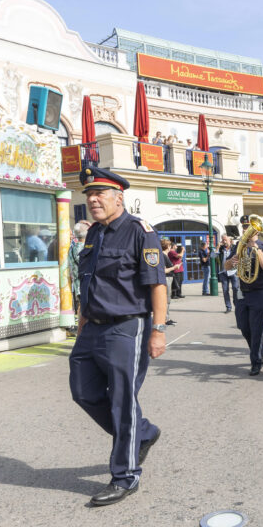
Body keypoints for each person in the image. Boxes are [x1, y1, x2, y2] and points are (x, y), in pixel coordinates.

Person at [68, 165, 166, 507]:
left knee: (123, 401)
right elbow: (89, 280)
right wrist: (81, 322)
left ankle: (125, 476)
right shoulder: (94, 233)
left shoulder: (141, 232)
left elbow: (157, 285)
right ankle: (142, 432)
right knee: (83, 392)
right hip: (91, 327)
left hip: (127, 326)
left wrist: (158, 330)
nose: (93, 200)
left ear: (118, 197)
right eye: (89, 195)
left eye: (100, 194)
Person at [225, 217, 263, 375]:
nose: (246, 230)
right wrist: (232, 261)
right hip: (243, 291)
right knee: (243, 326)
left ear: (257, 231)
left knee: (256, 327)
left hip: (260, 291)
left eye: (249, 227)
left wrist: (255, 248)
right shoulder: (239, 247)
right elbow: (226, 266)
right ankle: (261, 348)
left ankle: (256, 361)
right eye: (245, 227)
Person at [68, 220, 91, 324]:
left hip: (77, 283)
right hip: (86, 282)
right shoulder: (86, 249)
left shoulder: (71, 249)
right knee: (84, 307)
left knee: (81, 305)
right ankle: (82, 328)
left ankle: (80, 327)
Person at [217, 234, 238, 313]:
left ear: (230, 240)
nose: (224, 241)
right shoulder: (221, 248)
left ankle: (237, 305)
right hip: (223, 272)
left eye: (225, 239)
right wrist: (218, 247)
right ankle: (228, 307)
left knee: (235, 288)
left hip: (233, 271)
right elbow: (212, 256)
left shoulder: (234, 248)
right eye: (223, 239)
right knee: (225, 290)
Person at [159, 239, 178, 326]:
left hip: (169, 279)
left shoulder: (165, 255)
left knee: (168, 300)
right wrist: (174, 267)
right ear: (167, 246)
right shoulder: (162, 255)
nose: (171, 247)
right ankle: (165, 319)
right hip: (166, 279)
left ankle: (167, 318)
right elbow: (164, 270)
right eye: (170, 245)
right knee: (166, 300)